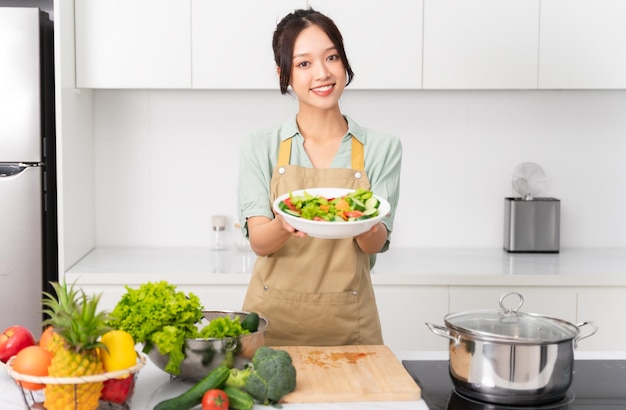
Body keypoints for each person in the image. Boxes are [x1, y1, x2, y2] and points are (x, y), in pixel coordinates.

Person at [236, 8, 402, 346]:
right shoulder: (260, 145)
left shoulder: (382, 147)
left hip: (350, 324)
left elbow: (376, 243)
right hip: (271, 324)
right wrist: (286, 222)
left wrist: (363, 220)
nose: (323, 73)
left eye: (332, 57)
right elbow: (259, 242)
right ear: (284, 73)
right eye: (304, 64)